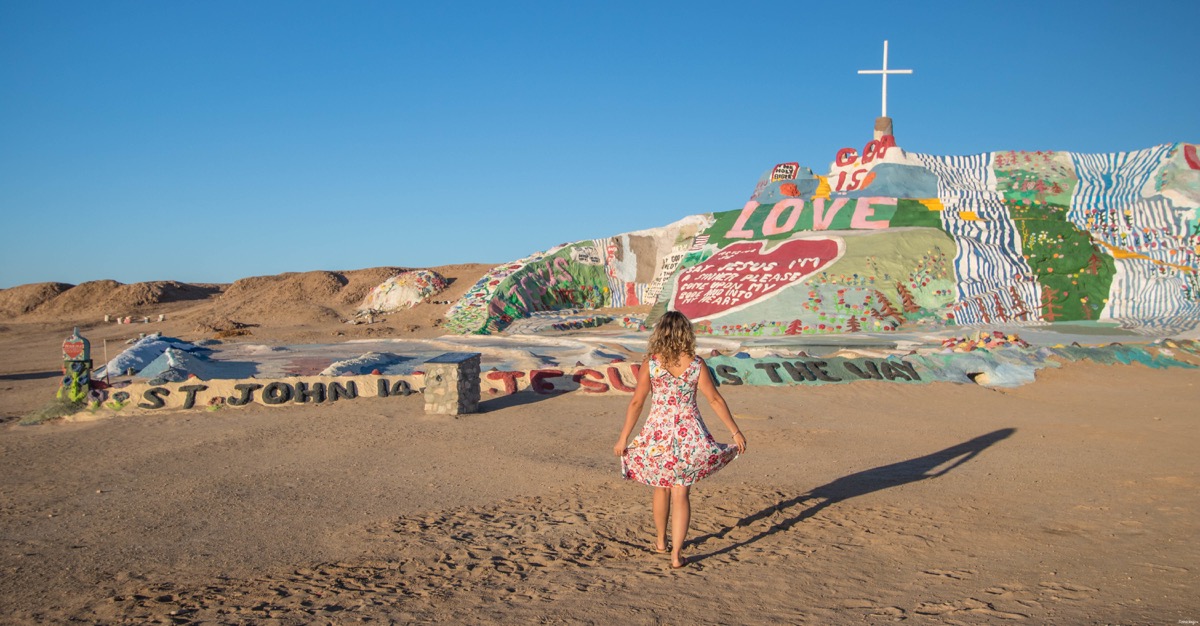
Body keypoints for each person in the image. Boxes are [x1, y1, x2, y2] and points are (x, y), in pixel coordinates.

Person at [613, 310, 747, 569]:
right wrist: (735, 431)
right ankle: (676, 555)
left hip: (658, 433)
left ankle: (661, 542)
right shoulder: (696, 364)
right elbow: (715, 399)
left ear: (659, 333)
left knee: (661, 487)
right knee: (681, 493)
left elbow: (637, 402)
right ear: (686, 333)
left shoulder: (651, 364)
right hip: (690, 434)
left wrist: (623, 439)